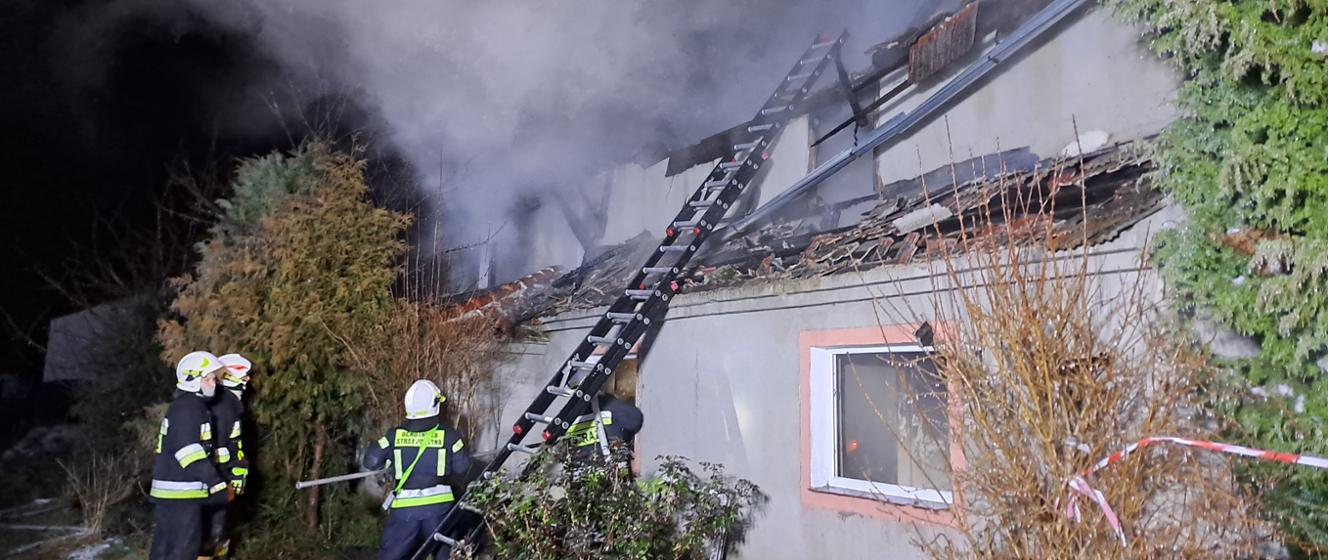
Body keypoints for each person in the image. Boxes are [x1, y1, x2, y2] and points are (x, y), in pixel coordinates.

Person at [364, 380, 472, 560]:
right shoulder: (450, 436)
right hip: (439, 510)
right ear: (435, 405)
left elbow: (370, 461)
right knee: (446, 555)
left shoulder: (394, 435)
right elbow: (462, 468)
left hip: (405, 511)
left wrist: (391, 457)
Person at [149, 351, 233, 560]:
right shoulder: (189, 408)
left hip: (174, 493)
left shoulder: (186, 406)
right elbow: (189, 453)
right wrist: (218, 485)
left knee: (165, 550)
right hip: (182, 494)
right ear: (193, 380)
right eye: (209, 379)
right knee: (183, 551)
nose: (214, 384)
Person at [199, 353, 253, 559]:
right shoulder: (224, 405)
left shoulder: (227, 403)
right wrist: (230, 474)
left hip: (219, 478)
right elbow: (221, 446)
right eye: (243, 374)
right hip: (216, 480)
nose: (247, 379)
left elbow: (233, 443)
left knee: (218, 533)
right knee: (212, 534)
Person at [565, 391, 643, 462]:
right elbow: (634, 419)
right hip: (606, 463)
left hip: (581, 465)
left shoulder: (566, 418)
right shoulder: (608, 406)